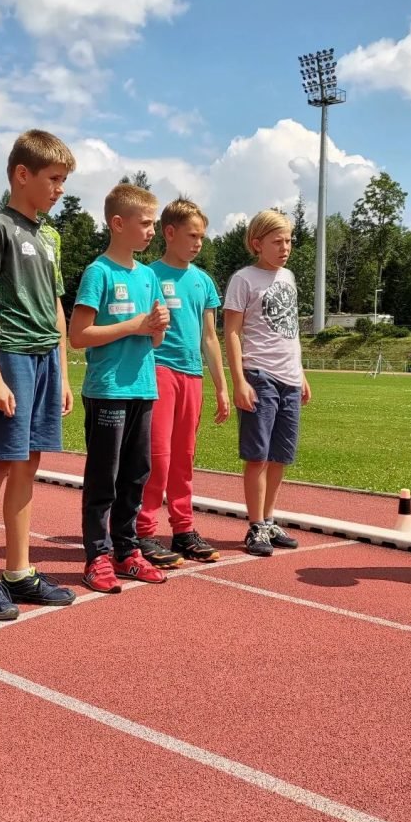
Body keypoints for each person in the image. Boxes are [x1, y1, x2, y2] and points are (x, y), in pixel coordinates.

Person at [0, 129, 77, 620]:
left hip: (47, 356)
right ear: (22, 175)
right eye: (54, 179)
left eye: (64, 180)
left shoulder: (50, 235)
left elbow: (56, 307)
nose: (60, 189)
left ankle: (19, 570)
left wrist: (64, 373)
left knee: (29, 463)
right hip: (11, 354)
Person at [69, 183, 170, 593]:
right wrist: (136, 325)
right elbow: (78, 335)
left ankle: (127, 551)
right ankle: (97, 555)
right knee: (104, 478)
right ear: (117, 223)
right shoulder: (99, 272)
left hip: (143, 388)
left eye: (153, 223)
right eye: (145, 223)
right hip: (108, 389)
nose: (152, 231)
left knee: (135, 475)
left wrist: (157, 327)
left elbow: (155, 339)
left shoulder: (148, 276)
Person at [136, 198, 230, 567]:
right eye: (192, 236)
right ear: (170, 233)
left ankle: (183, 529)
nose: (198, 243)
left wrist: (221, 386)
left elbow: (210, 338)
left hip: (192, 376)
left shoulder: (203, 281)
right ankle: (143, 530)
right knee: (157, 458)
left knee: (184, 458)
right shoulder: (148, 275)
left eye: (202, 237)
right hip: (158, 370)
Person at [223, 210, 311, 557]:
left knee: (280, 456)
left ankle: (270, 519)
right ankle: (256, 524)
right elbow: (231, 332)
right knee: (257, 456)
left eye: (289, 241)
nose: (285, 247)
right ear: (257, 243)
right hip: (259, 375)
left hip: (290, 377)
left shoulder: (288, 276)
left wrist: (301, 372)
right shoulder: (243, 279)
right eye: (277, 242)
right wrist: (239, 381)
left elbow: (291, 330)